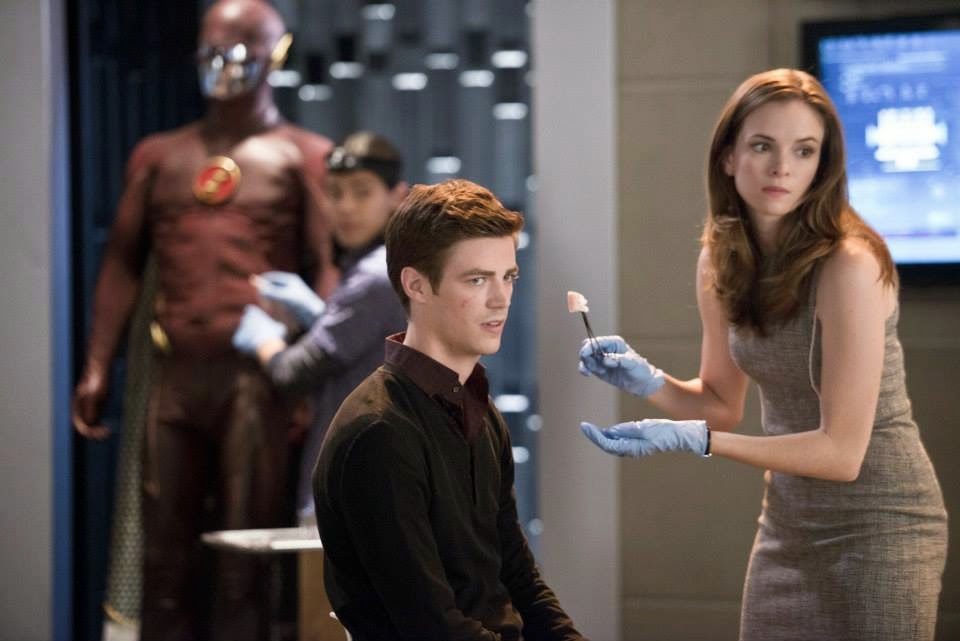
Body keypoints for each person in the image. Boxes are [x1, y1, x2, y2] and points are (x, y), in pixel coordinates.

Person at [578, 68, 947, 641]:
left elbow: (842, 454)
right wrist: (645, 380)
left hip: (881, 525)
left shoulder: (848, 265)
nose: (782, 168)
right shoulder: (720, 258)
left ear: (823, 165)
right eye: (762, 146)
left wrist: (698, 441)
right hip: (788, 523)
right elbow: (720, 404)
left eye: (804, 151)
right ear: (728, 157)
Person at [70, 1, 336, 639]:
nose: (223, 64)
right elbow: (123, 263)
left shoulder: (304, 156)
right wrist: (98, 364)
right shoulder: (159, 157)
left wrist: (310, 375)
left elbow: (328, 267)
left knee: (248, 556)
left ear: (274, 55)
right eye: (211, 49)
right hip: (174, 378)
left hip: (257, 382)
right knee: (163, 556)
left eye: (239, 48)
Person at [313, 179, 587, 641]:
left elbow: (520, 579)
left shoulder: (480, 411)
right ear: (416, 285)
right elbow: (431, 626)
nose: (500, 299)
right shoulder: (378, 431)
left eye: (508, 277)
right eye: (477, 279)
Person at [231, 131, 408, 522]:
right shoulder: (387, 267)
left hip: (354, 493)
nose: (346, 206)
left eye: (362, 192)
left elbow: (293, 372)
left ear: (397, 195)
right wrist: (320, 314)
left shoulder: (375, 277)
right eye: (335, 193)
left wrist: (264, 339)